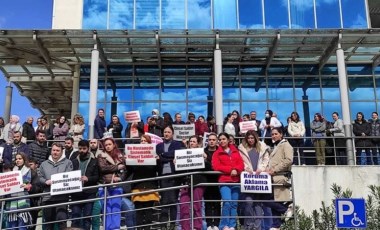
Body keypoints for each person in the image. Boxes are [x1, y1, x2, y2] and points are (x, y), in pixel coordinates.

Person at [238, 130, 270, 230]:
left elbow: (266, 159)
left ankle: (257, 226)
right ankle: (248, 225)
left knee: (258, 204)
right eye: (249, 138)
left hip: (259, 178)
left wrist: (262, 168)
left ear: (255, 138)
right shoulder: (242, 148)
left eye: (252, 138)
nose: (250, 140)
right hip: (248, 179)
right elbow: (239, 160)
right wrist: (245, 167)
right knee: (248, 202)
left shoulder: (262, 146)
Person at [212, 132, 244, 230]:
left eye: (223, 139)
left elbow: (241, 164)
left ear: (228, 140)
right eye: (220, 139)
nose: (222, 141)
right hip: (224, 181)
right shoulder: (216, 153)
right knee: (227, 202)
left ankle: (232, 225)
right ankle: (224, 225)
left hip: (235, 181)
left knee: (234, 204)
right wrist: (231, 170)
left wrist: (237, 170)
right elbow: (216, 166)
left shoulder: (235, 151)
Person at [264, 127, 293, 230]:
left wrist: (274, 170)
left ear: (281, 134)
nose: (273, 136)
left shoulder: (286, 145)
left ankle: (285, 209)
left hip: (280, 177)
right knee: (275, 200)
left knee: (267, 200)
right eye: (272, 134)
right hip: (273, 177)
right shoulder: (276, 146)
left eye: (276, 134)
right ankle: (276, 225)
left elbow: (288, 160)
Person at [38, 143, 73, 230]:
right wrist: (46, 181)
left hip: (61, 197)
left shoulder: (68, 163)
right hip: (47, 197)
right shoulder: (44, 164)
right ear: (51, 151)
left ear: (62, 152)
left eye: (58, 150)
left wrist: (58, 181)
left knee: (62, 222)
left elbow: (69, 176)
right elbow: (39, 177)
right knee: (48, 224)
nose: (55, 152)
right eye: (54, 150)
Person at [156, 125, 184, 229]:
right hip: (162, 175)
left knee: (173, 200)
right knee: (164, 201)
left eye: (168, 132)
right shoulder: (158, 146)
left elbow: (176, 153)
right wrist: (168, 157)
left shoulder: (177, 144)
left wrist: (162, 155)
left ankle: (172, 225)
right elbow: (160, 158)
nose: (166, 134)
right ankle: (163, 225)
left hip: (174, 176)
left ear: (172, 134)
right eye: (165, 132)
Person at [129, 134, 160, 230]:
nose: (142, 142)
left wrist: (157, 161)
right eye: (141, 141)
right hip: (137, 186)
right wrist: (128, 160)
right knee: (139, 212)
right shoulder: (134, 153)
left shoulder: (154, 154)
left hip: (150, 186)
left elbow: (156, 169)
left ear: (149, 143)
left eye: (145, 141)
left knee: (148, 213)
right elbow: (131, 170)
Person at [178, 135, 208, 230]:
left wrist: (205, 159)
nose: (191, 143)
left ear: (198, 144)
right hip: (186, 183)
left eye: (194, 141)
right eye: (190, 141)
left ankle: (197, 227)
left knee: (197, 206)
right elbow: (180, 170)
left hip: (198, 182)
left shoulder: (203, 153)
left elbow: (209, 167)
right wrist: (176, 162)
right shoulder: (183, 154)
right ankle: (185, 228)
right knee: (183, 206)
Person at [97, 138, 126, 230]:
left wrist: (120, 178)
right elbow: (103, 168)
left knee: (116, 208)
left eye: (109, 144)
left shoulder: (120, 155)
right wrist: (117, 167)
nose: (108, 146)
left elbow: (125, 169)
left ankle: (115, 228)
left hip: (117, 185)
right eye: (106, 145)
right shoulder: (101, 155)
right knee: (106, 209)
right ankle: (107, 228)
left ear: (114, 144)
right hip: (104, 185)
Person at [71, 140, 99, 230]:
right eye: (80, 148)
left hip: (89, 193)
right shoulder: (73, 161)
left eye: (84, 148)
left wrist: (88, 179)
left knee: (87, 217)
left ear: (88, 149)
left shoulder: (94, 161)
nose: (82, 150)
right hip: (76, 193)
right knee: (75, 217)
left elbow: (97, 177)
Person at [5, 152, 33, 230]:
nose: (17, 160)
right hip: (12, 200)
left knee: (22, 225)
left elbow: (33, 184)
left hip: (23, 199)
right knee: (12, 225)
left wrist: (28, 186)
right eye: (16, 159)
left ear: (24, 160)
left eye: (20, 159)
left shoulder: (28, 170)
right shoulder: (12, 171)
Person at [203, 133, 221, 230]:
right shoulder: (203, 152)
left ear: (217, 141)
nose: (211, 141)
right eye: (210, 139)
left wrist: (207, 162)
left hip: (218, 180)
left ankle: (217, 224)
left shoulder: (220, 151)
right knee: (208, 203)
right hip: (206, 180)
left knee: (217, 203)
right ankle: (209, 224)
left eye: (213, 140)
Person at [28, 158, 43, 230]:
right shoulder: (26, 173)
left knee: (32, 224)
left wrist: (29, 187)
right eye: (28, 164)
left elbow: (38, 189)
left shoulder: (40, 175)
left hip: (35, 202)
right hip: (28, 202)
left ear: (36, 165)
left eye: (31, 164)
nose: (29, 166)